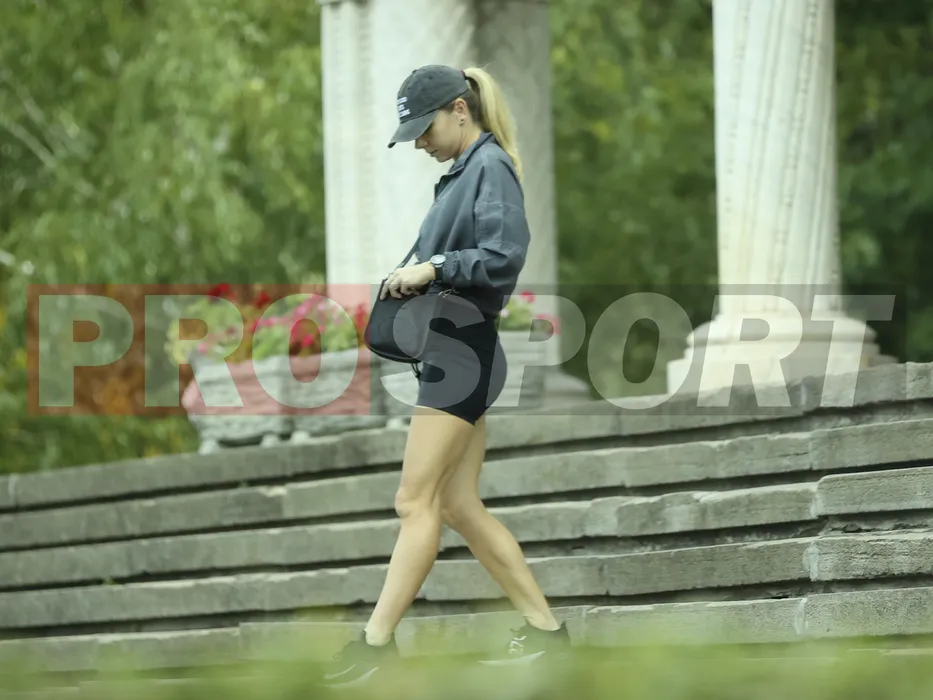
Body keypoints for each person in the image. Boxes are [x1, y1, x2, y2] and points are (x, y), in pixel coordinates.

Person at [320, 64, 570, 688]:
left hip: (464, 349)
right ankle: (546, 633)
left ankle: (375, 643)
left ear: (460, 109)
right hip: (456, 349)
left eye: (424, 130)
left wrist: (433, 268)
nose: (420, 144)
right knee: (456, 503)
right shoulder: (464, 172)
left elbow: (504, 256)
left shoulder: (490, 166)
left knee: (414, 501)